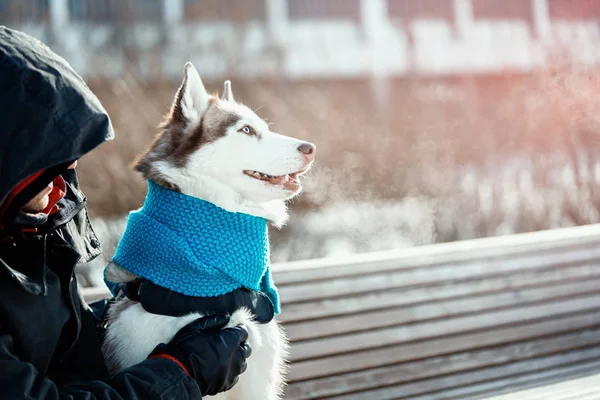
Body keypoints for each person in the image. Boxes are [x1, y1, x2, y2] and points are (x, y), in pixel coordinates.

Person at [0, 26, 251, 399]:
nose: (59, 190)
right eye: (41, 174)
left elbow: (58, 343)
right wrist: (182, 371)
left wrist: (137, 309)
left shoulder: (27, 229)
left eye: (64, 168)